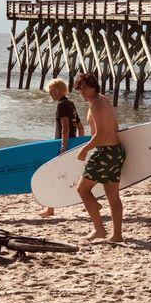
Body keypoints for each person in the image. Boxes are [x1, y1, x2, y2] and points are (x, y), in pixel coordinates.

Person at [74, 73, 126, 242]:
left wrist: (84, 150)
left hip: (105, 152)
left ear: (93, 86)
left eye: (85, 87)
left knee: (82, 190)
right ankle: (116, 235)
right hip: (116, 150)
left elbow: (101, 133)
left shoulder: (96, 104)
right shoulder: (103, 99)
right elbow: (115, 126)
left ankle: (99, 230)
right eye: (79, 88)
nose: (82, 91)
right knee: (113, 196)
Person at [40, 79, 85, 217]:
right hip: (71, 143)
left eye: (51, 91)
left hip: (62, 145)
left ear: (57, 90)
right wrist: (80, 143)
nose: (50, 94)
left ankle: (50, 209)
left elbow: (65, 127)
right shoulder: (70, 104)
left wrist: (63, 147)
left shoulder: (61, 105)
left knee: (51, 175)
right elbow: (80, 127)